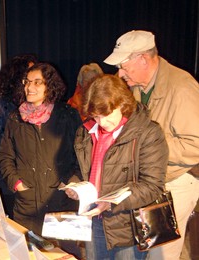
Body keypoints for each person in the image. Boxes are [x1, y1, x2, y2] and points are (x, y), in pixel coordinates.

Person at [103, 30, 199, 260]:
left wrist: (150, 150)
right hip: (150, 181)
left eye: (124, 66)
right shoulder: (137, 87)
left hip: (177, 182)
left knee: (160, 255)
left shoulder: (181, 87)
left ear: (143, 59)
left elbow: (196, 145)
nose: (120, 73)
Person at [65, 74, 168, 259]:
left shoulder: (148, 133)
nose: (102, 123)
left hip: (127, 225)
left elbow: (152, 185)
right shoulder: (86, 131)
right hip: (93, 220)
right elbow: (77, 168)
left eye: (106, 115)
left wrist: (111, 203)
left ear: (122, 104)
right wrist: (75, 185)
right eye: (96, 116)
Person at [0, 62, 82, 235]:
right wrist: (16, 183)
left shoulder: (68, 115)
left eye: (37, 82)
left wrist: (72, 180)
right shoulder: (15, 118)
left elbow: (82, 154)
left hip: (62, 204)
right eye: (27, 82)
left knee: (62, 255)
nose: (30, 87)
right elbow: (5, 156)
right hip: (27, 206)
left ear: (49, 85)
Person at [0, 54, 37, 218]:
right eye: (29, 75)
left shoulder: (38, 101)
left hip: (35, 172)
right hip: (8, 169)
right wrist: (12, 139)